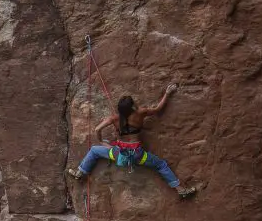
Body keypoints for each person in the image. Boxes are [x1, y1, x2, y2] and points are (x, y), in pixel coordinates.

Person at [67, 83, 197, 198]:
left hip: (118, 153)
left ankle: (80, 172)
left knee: (94, 150)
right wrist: (167, 94)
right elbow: (158, 109)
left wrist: (102, 142)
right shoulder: (141, 113)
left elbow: (97, 129)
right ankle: (180, 189)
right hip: (138, 155)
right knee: (160, 164)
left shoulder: (114, 118)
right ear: (132, 106)